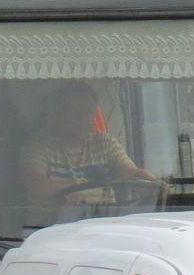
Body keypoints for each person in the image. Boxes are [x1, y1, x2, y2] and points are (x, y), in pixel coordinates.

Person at [20, 83, 157, 217]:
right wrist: (65, 195)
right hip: (52, 227)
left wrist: (152, 185)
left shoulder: (105, 143)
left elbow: (130, 174)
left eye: (87, 112)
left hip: (103, 224)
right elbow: (35, 180)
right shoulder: (38, 144)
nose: (81, 119)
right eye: (74, 111)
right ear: (59, 112)